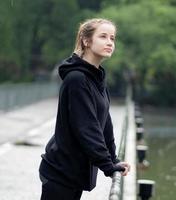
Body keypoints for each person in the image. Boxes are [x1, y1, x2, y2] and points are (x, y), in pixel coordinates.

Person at [39, 18, 130, 200]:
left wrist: (113, 159)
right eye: (103, 36)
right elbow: (86, 128)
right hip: (60, 171)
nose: (110, 42)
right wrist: (107, 165)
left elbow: (104, 124)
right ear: (86, 41)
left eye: (112, 38)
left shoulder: (97, 78)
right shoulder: (77, 79)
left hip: (73, 172)